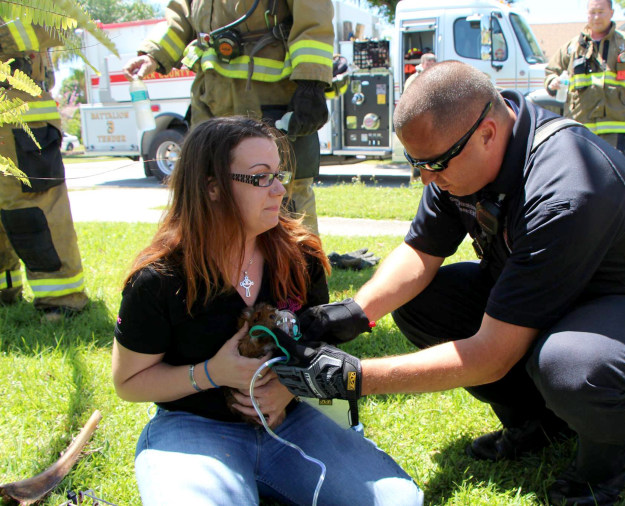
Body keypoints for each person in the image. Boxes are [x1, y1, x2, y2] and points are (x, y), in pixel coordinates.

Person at [272, 61, 625, 505]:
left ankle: (611, 461)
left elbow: (492, 355)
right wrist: (354, 313)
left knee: (571, 364)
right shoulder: (457, 151)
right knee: (423, 303)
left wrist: (354, 379)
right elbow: (421, 252)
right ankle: (537, 423)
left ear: (488, 133)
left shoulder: (565, 186)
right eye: (415, 163)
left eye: (434, 164)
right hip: (556, 303)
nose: (425, 178)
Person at [110, 116, 422, 505]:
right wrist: (210, 373)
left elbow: (314, 347)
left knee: (398, 501)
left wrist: (288, 392)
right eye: (261, 178)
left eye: (279, 173)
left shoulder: (300, 257)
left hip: (294, 419)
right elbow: (129, 382)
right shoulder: (159, 279)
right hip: (195, 425)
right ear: (212, 188)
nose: (279, 189)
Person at [123, 0, 335, 233]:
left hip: (270, 101)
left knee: (282, 193)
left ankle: (298, 268)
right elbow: (180, 16)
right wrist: (152, 55)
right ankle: (214, 266)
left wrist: (311, 83)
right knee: (207, 189)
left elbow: (314, 17)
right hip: (210, 101)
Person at [0, 17, 89, 321]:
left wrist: (4, 39)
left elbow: (61, 20)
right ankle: (5, 289)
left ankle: (61, 300)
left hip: (22, 118)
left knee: (33, 209)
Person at [545, 0, 625, 160]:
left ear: (612, 13)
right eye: (592, 12)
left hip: (620, 133)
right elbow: (551, 71)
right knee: (581, 179)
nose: (596, 17)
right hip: (580, 130)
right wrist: (553, 81)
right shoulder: (572, 48)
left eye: (601, 12)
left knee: (614, 180)